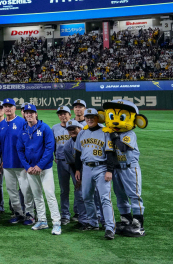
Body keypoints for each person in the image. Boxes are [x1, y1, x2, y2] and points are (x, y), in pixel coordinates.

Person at [16, 104, 61, 235]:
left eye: (32, 112)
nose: (29, 115)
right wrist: (27, 166)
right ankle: (42, 220)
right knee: (37, 195)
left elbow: (49, 149)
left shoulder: (45, 128)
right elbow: (19, 150)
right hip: (30, 169)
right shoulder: (23, 130)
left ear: (36, 114)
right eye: (27, 113)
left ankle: (56, 222)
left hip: (44, 168)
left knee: (49, 194)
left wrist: (40, 165)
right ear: (24, 114)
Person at [73, 108, 116, 239]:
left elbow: (110, 153)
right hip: (86, 168)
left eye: (92, 117)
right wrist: (77, 169)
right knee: (86, 196)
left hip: (101, 168)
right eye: (88, 117)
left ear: (97, 118)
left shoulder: (105, 131)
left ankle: (110, 227)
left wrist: (109, 170)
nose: (90, 119)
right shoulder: (82, 132)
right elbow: (78, 153)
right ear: (84, 118)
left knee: (105, 198)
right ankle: (93, 223)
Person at [105, 100, 145, 237]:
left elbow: (123, 147)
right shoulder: (112, 133)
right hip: (116, 168)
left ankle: (138, 224)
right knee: (120, 195)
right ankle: (125, 219)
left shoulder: (129, 134)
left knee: (134, 194)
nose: (115, 122)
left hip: (129, 168)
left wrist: (114, 137)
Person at [0, 98, 35, 225]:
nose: (7, 108)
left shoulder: (22, 122)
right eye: (5, 106)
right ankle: (18, 213)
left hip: (21, 164)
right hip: (6, 164)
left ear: (14, 108)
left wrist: (29, 162)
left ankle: (30, 214)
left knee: (26, 190)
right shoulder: (0, 125)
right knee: (11, 191)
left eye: (10, 106)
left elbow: (29, 143)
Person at [62, 120, 88, 229]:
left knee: (96, 194)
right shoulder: (67, 146)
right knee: (79, 193)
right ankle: (83, 220)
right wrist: (78, 179)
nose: (72, 131)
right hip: (78, 170)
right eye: (69, 129)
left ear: (80, 129)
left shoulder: (87, 140)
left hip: (92, 169)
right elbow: (73, 165)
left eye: (74, 128)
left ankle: (100, 219)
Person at [52, 105, 74, 225]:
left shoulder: (76, 127)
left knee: (79, 189)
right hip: (61, 161)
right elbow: (52, 144)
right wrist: (55, 156)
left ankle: (79, 213)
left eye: (65, 113)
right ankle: (65, 215)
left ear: (70, 115)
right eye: (60, 114)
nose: (63, 116)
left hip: (75, 163)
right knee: (64, 190)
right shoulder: (54, 128)